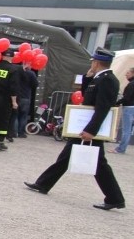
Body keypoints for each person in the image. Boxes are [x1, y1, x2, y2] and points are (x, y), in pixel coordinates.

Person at [24, 47, 126, 210]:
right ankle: (43, 184)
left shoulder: (107, 80)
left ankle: (115, 198)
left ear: (97, 62)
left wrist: (91, 131)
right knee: (67, 157)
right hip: (87, 127)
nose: (91, 64)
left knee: (99, 164)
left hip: (91, 128)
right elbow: (87, 96)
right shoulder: (100, 78)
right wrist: (87, 78)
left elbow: (103, 108)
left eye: (93, 62)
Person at [108, 66, 134, 154]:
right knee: (127, 130)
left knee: (126, 130)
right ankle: (122, 147)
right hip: (133, 107)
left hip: (129, 108)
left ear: (133, 74)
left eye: (128, 73)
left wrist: (117, 103)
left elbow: (126, 98)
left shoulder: (132, 84)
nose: (126, 75)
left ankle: (121, 149)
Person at [14, 62, 39, 138]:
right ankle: (21, 132)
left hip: (16, 96)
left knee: (15, 115)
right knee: (23, 116)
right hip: (25, 97)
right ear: (28, 64)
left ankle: (14, 132)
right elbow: (35, 84)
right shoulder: (31, 73)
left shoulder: (16, 72)